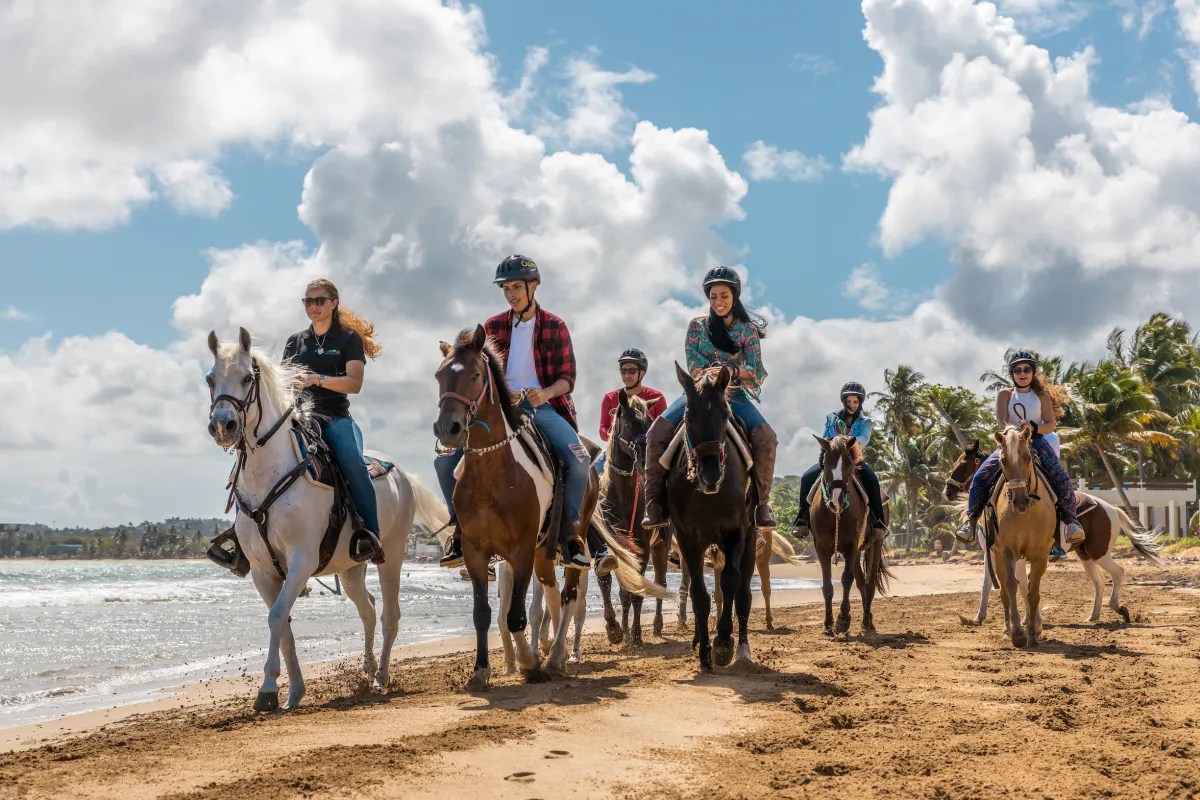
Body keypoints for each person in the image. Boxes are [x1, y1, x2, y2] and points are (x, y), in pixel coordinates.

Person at [207, 278, 385, 573]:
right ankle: (240, 541)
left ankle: (369, 534)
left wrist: (318, 380)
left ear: (333, 303)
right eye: (308, 301)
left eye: (319, 301)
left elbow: (354, 384)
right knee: (245, 465)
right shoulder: (295, 341)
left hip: (335, 417)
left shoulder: (347, 340)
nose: (313, 306)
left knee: (352, 463)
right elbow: (282, 386)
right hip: (299, 417)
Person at [436, 255, 592, 570]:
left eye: (517, 287)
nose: (512, 294)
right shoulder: (491, 327)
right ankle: (460, 530)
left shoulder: (555, 326)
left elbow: (568, 379)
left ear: (533, 286)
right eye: (506, 288)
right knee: (444, 462)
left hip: (542, 408)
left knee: (580, 460)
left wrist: (544, 393)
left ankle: (571, 534)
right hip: (499, 411)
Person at [640, 266, 779, 531]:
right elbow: (692, 364)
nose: (718, 302)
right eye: (713, 296)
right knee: (656, 431)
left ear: (734, 296)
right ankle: (654, 502)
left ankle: (762, 504)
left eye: (724, 296)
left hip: (734, 393)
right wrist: (706, 373)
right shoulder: (696, 327)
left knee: (766, 437)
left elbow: (755, 368)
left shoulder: (747, 331)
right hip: (699, 393)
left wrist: (730, 371)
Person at [954, 350, 1085, 549]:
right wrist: (1013, 431)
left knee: (1060, 475)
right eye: (1017, 370)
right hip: (1009, 442)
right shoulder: (1004, 394)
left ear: (1033, 372)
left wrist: (1032, 428)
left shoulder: (1042, 396)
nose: (1022, 373)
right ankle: (971, 521)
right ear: (1012, 373)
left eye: (1026, 369)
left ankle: (1070, 521)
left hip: (1037, 441)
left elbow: (1050, 425)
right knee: (981, 476)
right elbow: (1000, 423)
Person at [790, 382, 888, 541]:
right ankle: (802, 519)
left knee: (872, 479)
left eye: (856, 402)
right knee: (807, 477)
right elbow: (826, 434)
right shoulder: (831, 417)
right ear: (844, 401)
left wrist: (842, 442)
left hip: (853, 461)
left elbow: (863, 439)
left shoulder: (866, 422)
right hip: (833, 460)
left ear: (860, 402)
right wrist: (834, 444)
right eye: (849, 401)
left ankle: (878, 522)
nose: (852, 405)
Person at [594, 347, 668, 476]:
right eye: (623, 371)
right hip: (617, 452)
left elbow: (664, 430)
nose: (627, 375)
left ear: (642, 373)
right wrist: (616, 436)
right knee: (594, 472)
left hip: (646, 451)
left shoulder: (657, 397)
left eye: (632, 371)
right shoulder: (610, 398)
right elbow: (603, 429)